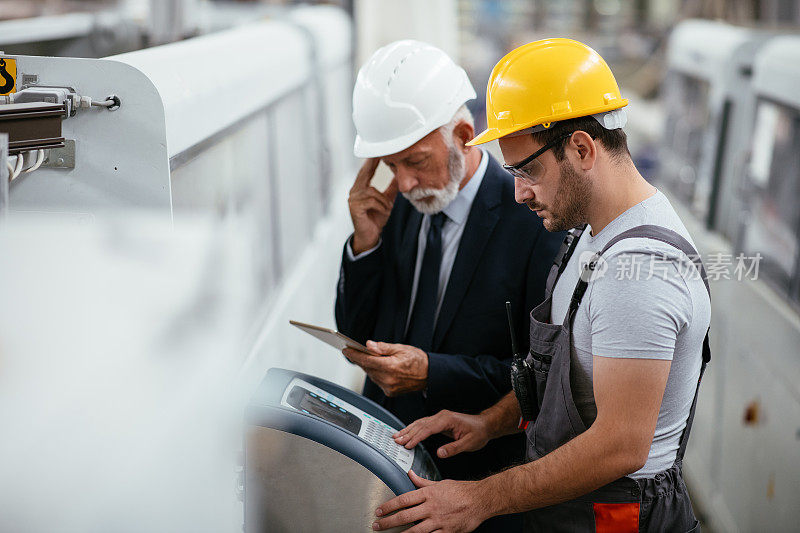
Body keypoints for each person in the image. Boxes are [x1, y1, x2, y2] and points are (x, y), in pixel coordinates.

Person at [371, 38, 712, 533]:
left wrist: (480, 498)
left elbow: (619, 445)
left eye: (528, 170)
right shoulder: (590, 236)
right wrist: (489, 423)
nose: (519, 192)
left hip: (618, 518)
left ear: (581, 148)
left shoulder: (640, 270)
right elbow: (562, 380)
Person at [334, 40, 564, 531]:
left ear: (464, 134)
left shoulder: (532, 218)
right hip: (387, 459)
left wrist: (432, 373)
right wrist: (365, 245)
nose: (406, 181)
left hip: (476, 478)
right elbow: (355, 329)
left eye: (416, 161)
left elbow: (540, 374)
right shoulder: (394, 205)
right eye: (391, 165)